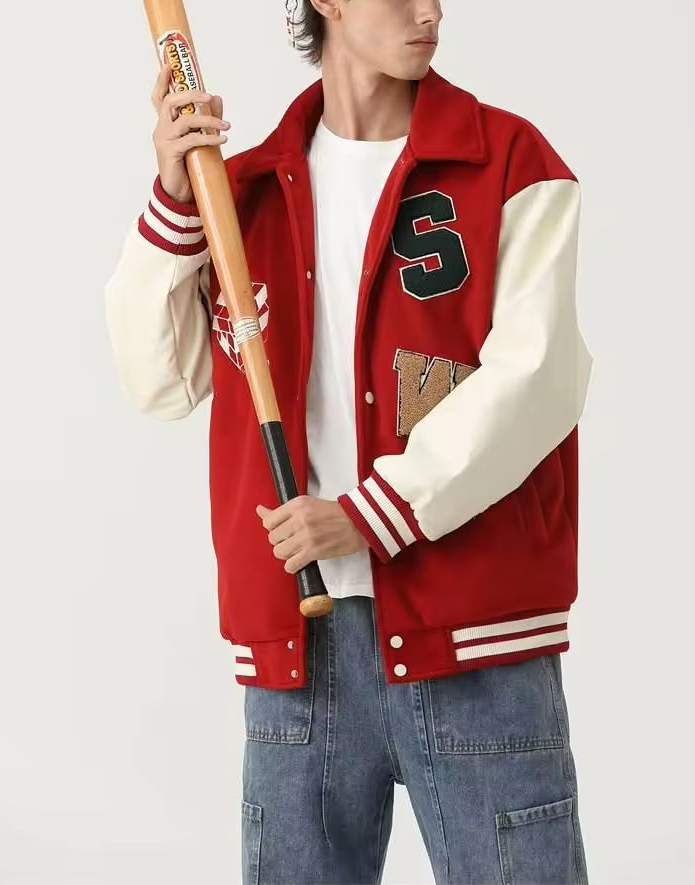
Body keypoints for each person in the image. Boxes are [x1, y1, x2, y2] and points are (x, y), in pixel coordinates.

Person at [104, 1, 593, 882]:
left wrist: (371, 512)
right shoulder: (242, 194)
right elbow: (158, 377)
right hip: (297, 652)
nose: (429, 10)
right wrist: (176, 201)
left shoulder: (510, 161)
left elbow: (538, 375)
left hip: (474, 641)